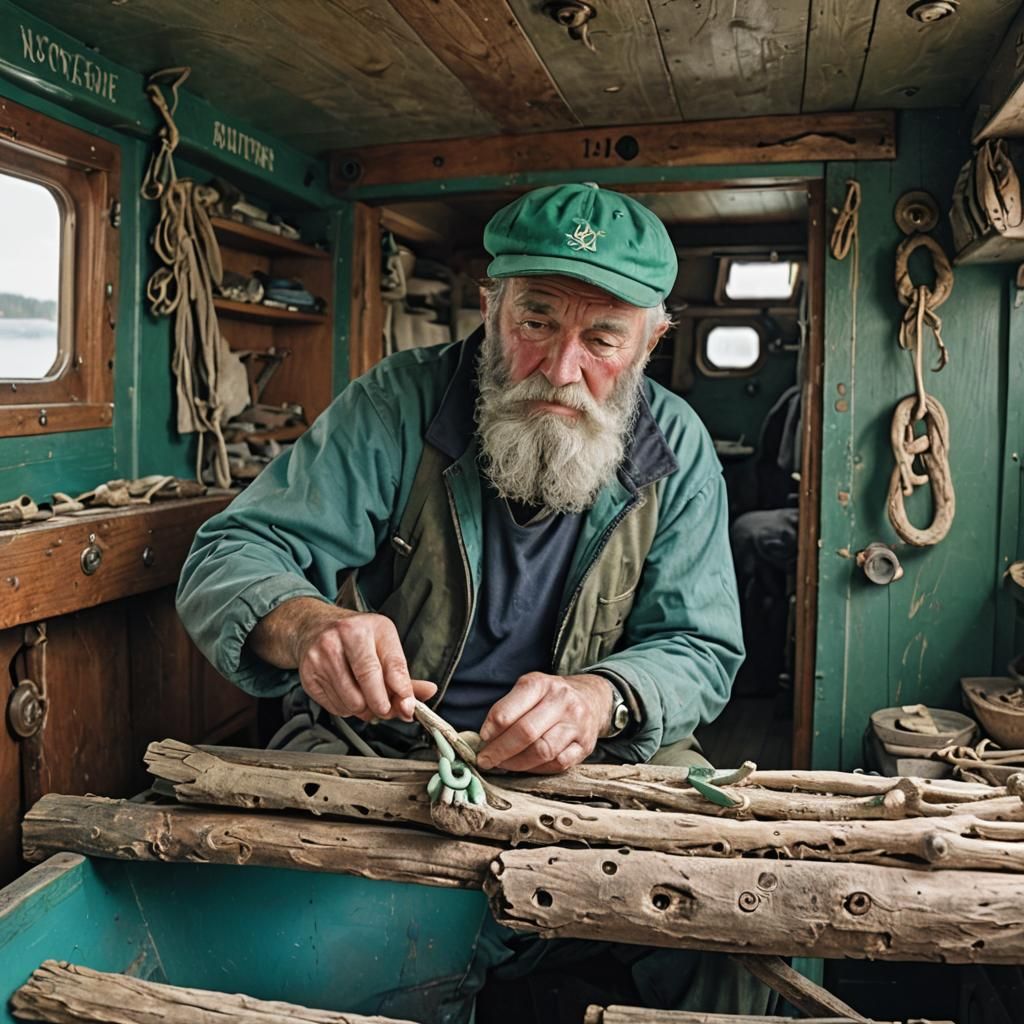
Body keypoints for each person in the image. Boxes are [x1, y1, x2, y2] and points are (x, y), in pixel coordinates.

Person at [176, 182, 769, 1020]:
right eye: (536, 322)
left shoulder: (677, 450)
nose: (563, 371)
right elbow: (230, 554)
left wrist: (603, 698)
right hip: (386, 753)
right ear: (491, 307)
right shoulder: (398, 403)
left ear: (651, 340)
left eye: (602, 337)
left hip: (604, 761)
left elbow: (700, 648)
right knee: (343, 950)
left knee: (733, 914)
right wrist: (310, 624)